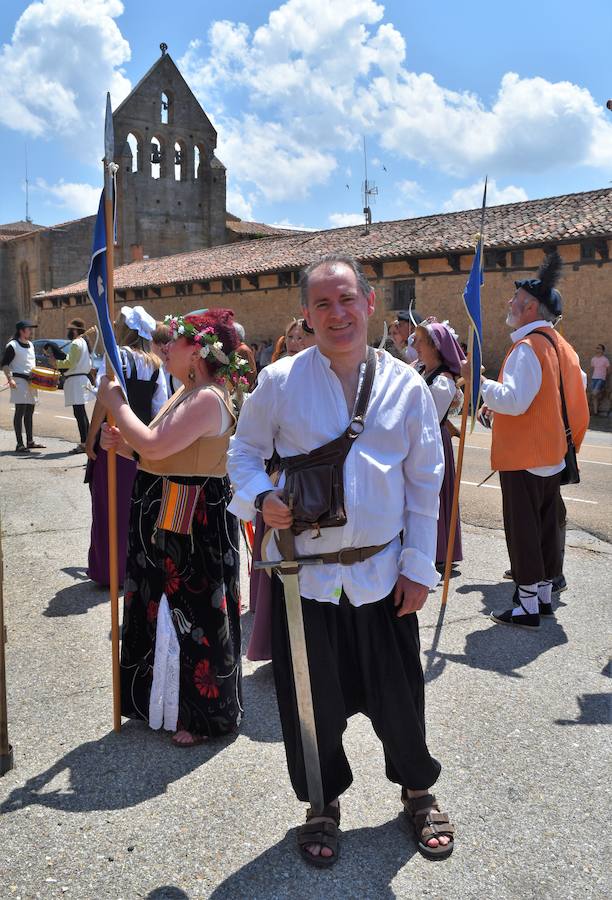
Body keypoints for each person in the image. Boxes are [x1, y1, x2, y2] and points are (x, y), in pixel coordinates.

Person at [228, 254, 454, 866]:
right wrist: (261, 498)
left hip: (383, 574)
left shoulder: (407, 385)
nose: (337, 314)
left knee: (401, 693)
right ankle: (322, 802)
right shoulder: (277, 382)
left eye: (347, 299)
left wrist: (418, 566)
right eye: (323, 304)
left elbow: (425, 482)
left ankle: (417, 790)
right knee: (311, 701)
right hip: (308, 577)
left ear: (369, 304)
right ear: (305, 314)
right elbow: (243, 453)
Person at [97, 309, 246, 746]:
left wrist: (117, 405)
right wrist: (122, 447)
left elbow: (155, 444)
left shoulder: (208, 397)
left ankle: (204, 716)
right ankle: (160, 702)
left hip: (193, 516)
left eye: (176, 341)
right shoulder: (186, 393)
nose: (166, 348)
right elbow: (156, 456)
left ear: (197, 351)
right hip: (168, 509)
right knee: (161, 603)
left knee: (193, 610)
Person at [465, 252, 589, 629]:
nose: (509, 304)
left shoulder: (527, 348)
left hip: (524, 456)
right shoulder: (562, 347)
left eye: (515, 300)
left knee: (523, 532)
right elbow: (573, 389)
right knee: (546, 528)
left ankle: (527, 606)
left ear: (531, 306)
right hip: (553, 454)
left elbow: (515, 401)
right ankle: (545, 598)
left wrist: (479, 384)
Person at [85, 306, 168, 586]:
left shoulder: (115, 358)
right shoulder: (155, 365)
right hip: (138, 446)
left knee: (107, 506)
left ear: (124, 329)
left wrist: (90, 436)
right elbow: (159, 411)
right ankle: (130, 568)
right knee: (133, 508)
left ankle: (107, 570)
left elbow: (103, 399)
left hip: (112, 440)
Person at [246, 316, 312, 662]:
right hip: (277, 472)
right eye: (292, 336)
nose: (297, 341)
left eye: (302, 335)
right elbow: (251, 440)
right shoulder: (274, 377)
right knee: (274, 548)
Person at [413, 319, 465, 568]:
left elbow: (428, 415)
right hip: (420, 440)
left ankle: (438, 550)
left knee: (433, 496)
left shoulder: (443, 380)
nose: (415, 345)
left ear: (434, 347)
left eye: (419, 341)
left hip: (432, 441)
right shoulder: (422, 371)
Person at [46, 318, 96, 454]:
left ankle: (84, 443)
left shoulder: (76, 343)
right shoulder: (84, 343)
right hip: (80, 380)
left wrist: (56, 363)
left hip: (76, 381)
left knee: (79, 413)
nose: (68, 332)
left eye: (69, 330)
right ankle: (87, 442)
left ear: (74, 331)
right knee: (81, 413)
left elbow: (69, 363)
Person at [1, 320, 46, 454]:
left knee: (29, 412)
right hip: (19, 381)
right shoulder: (12, 345)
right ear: (21, 330)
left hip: (32, 383)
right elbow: (5, 364)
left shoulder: (31, 345)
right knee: (20, 411)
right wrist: (10, 379)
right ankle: (19, 444)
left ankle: (30, 441)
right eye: (28, 329)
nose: (30, 331)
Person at [589, 343, 609, 416]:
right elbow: (593, 369)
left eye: (599, 348)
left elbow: (609, 370)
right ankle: (595, 411)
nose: (597, 349)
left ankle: (596, 408)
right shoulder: (593, 359)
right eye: (597, 348)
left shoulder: (605, 360)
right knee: (594, 396)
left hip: (601, 379)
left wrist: (605, 377)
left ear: (603, 350)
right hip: (594, 378)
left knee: (594, 393)